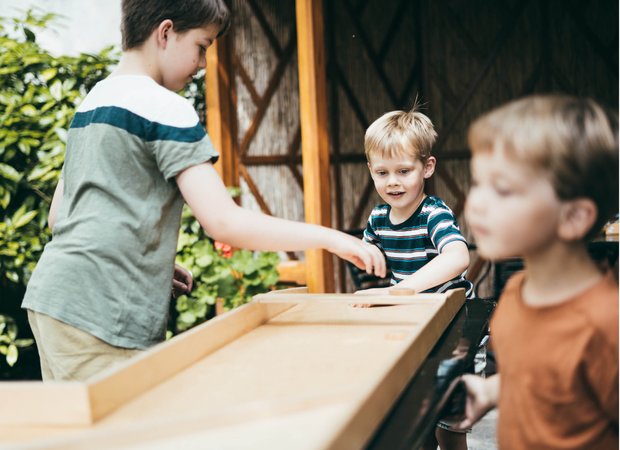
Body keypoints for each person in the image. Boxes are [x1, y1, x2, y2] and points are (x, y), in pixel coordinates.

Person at [21, 0, 386, 383]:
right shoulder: (164, 107)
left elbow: (60, 215)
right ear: (165, 33)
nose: (202, 64)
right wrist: (331, 238)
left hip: (54, 299)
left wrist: (146, 259)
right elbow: (223, 222)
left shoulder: (93, 101)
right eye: (202, 46)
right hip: (101, 311)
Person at [458, 95, 619, 450]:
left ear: (573, 217)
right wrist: (488, 390)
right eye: (477, 183)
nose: (477, 203)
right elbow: (536, 378)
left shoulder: (605, 325)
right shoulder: (516, 292)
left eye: (502, 189)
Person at [355, 107, 474, 450]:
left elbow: (458, 255)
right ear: (371, 172)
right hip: (413, 327)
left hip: (453, 329)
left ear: (427, 167)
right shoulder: (378, 218)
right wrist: (359, 255)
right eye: (382, 172)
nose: (393, 181)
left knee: (449, 427)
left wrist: (404, 288)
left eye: (404, 171)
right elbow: (369, 259)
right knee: (415, 424)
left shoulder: (432, 213)